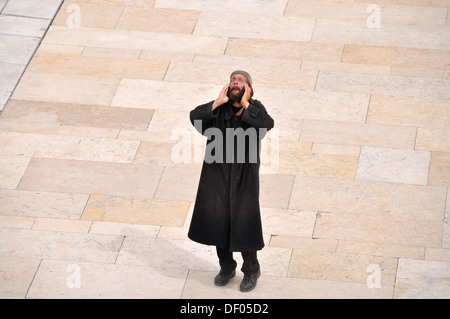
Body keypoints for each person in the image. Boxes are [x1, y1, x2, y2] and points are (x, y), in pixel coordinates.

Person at [188, 70, 274, 292]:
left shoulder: (255, 109)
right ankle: (226, 267)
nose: (236, 82)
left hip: (244, 179)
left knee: (244, 224)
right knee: (219, 224)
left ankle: (252, 270)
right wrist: (216, 103)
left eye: (241, 81)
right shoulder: (218, 109)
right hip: (217, 176)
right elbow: (195, 118)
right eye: (233, 80)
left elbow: (266, 124)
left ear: (248, 88)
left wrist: (246, 104)